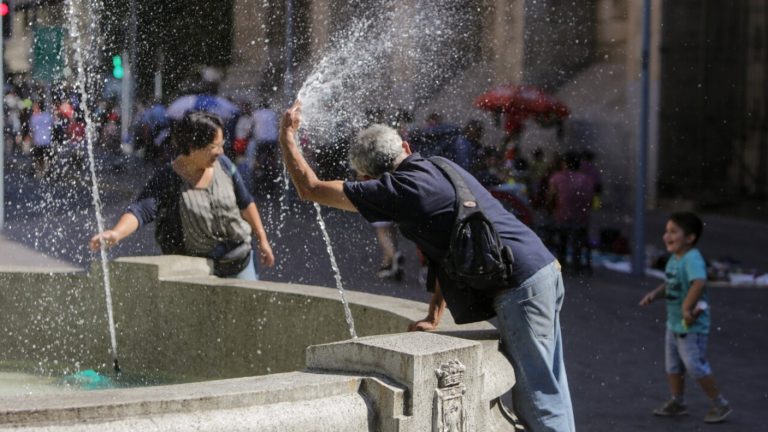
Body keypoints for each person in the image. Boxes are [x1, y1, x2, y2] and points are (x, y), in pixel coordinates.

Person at [278, 101, 574, 431]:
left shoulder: (401, 192)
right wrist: (433, 316)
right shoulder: (439, 166)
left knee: (539, 398)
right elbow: (448, 250)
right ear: (405, 147)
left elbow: (310, 188)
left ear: (366, 177)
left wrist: (287, 136)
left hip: (519, 284)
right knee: (552, 383)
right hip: (541, 267)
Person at [89, 111, 275, 280]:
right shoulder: (169, 178)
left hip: (240, 260)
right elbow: (140, 211)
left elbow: (246, 202)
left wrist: (263, 239)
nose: (221, 151)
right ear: (193, 146)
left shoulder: (224, 165)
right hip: (199, 270)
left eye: (222, 145)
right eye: (214, 146)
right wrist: (116, 233)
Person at [639, 212, 731, 424]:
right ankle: (677, 401)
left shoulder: (692, 259)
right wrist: (655, 294)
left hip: (692, 325)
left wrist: (687, 308)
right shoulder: (675, 258)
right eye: (666, 231)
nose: (666, 236)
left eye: (673, 232)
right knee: (673, 366)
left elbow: (698, 282)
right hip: (674, 323)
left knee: (694, 365)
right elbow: (671, 283)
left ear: (689, 238)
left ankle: (720, 404)